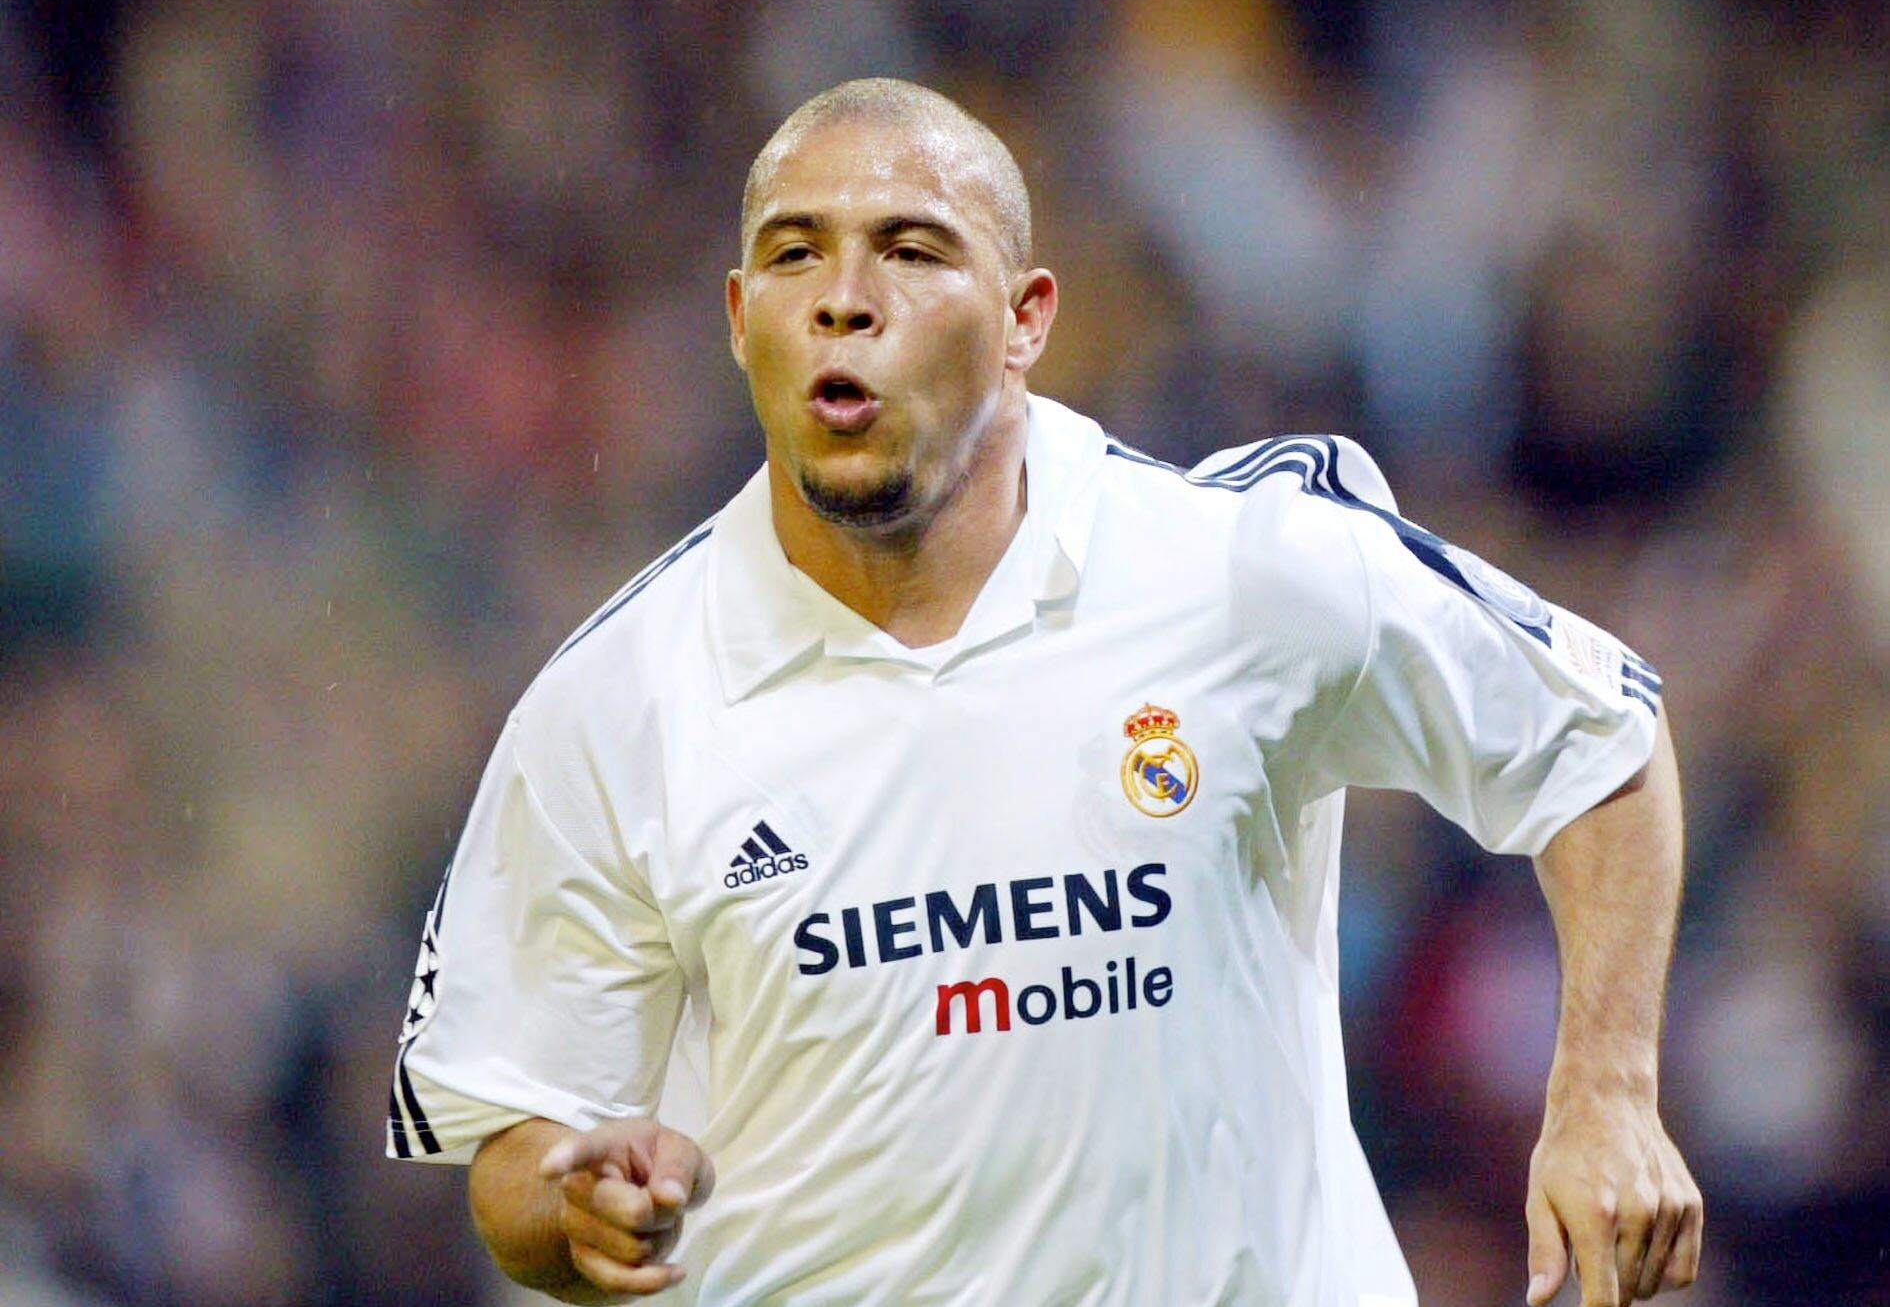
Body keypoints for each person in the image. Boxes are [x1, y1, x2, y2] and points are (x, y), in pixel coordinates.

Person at [387, 78, 1702, 1307]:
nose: (844, 297)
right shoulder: (614, 702)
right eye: (795, 255)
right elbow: (512, 1135)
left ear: (1026, 319)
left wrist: (1605, 1091)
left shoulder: (1240, 569)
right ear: (741, 321)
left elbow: (1597, 737)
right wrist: (576, 1211)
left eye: (910, 249)